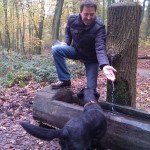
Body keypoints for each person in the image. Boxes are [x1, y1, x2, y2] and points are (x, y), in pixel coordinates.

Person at [51, 0, 116, 89]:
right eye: (86, 14)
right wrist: (66, 42)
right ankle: (64, 80)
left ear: (95, 13)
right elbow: (68, 32)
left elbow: (100, 47)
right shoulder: (72, 20)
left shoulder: (99, 27)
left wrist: (104, 65)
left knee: (91, 88)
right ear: (80, 12)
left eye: (92, 14)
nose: (89, 17)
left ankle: (90, 97)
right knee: (56, 49)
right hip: (77, 51)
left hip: (91, 58)